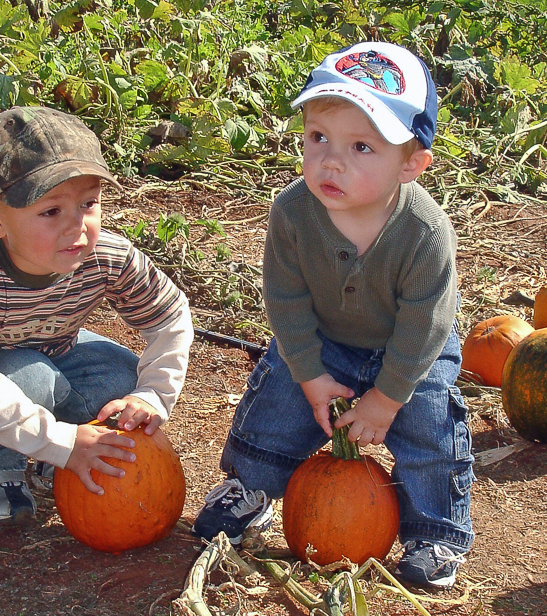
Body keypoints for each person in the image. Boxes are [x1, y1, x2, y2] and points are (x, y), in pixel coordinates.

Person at [192, 41, 475, 590]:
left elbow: (425, 323)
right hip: (324, 339)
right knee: (278, 401)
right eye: (318, 137)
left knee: (429, 428)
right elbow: (287, 300)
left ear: (412, 163)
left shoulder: (424, 232)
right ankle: (250, 486)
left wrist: (387, 399)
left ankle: (436, 531)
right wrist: (309, 372)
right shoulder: (293, 211)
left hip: (411, 351)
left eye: (362, 147)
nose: (331, 160)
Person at [0, 106, 194, 525]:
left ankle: (54, 452)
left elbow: (170, 318)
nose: (76, 226)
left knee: (122, 375)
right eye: (51, 211)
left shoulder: (107, 256)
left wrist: (151, 395)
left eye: (88, 203)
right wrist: (62, 441)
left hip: (57, 349)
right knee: (30, 379)